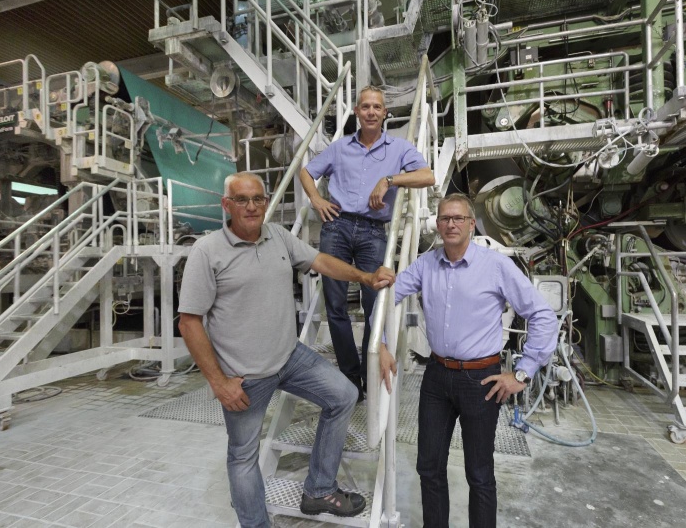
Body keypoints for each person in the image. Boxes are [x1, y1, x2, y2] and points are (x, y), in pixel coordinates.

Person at [178, 172, 395, 528]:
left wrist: (365, 277)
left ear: (266, 202)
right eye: (242, 200)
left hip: (289, 357)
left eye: (258, 199)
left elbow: (321, 261)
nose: (251, 207)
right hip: (243, 376)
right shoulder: (208, 251)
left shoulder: (277, 236)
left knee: (343, 394)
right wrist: (219, 382)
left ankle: (319, 490)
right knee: (243, 457)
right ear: (226, 205)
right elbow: (189, 322)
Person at [378, 193, 558, 528]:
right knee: (429, 467)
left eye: (458, 218)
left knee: (479, 474)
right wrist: (383, 343)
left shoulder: (495, 265)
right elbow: (389, 295)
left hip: (481, 381)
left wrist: (522, 373)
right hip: (436, 377)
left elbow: (544, 316)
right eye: (444, 218)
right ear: (437, 224)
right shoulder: (426, 264)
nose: (450, 224)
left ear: (471, 225)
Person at [299, 85, 434, 401]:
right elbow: (307, 172)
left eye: (377, 107)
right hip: (337, 227)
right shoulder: (340, 147)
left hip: (374, 232)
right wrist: (317, 199)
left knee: (375, 305)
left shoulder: (399, 148)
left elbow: (427, 176)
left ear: (385, 113)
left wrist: (390, 180)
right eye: (365, 107)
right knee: (335, 306)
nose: (371, 112)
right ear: (357, 112)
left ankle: (370, 370)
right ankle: (350, 378)